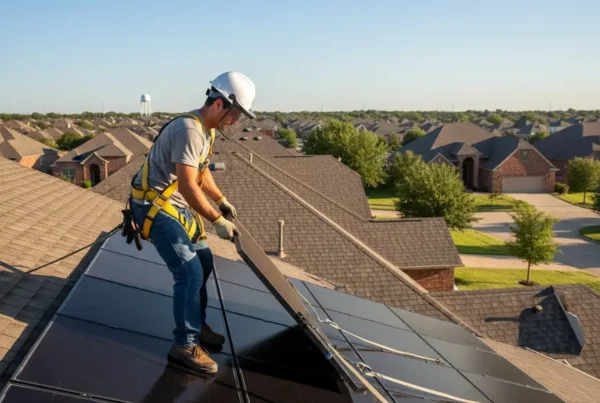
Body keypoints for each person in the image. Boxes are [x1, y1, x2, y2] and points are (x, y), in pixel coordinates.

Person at [127, 72, 256, 374]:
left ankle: (196, 325)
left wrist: (221, 199)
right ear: (219, 104)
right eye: (235, 113)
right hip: (152, 205)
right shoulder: (189, 129)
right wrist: (216, 220)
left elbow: (200, 172)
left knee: (205, 260)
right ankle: (185, 344)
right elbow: (186, 185)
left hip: (175, 206)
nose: (235, 121)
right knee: (189, 272)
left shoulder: (206, 130)